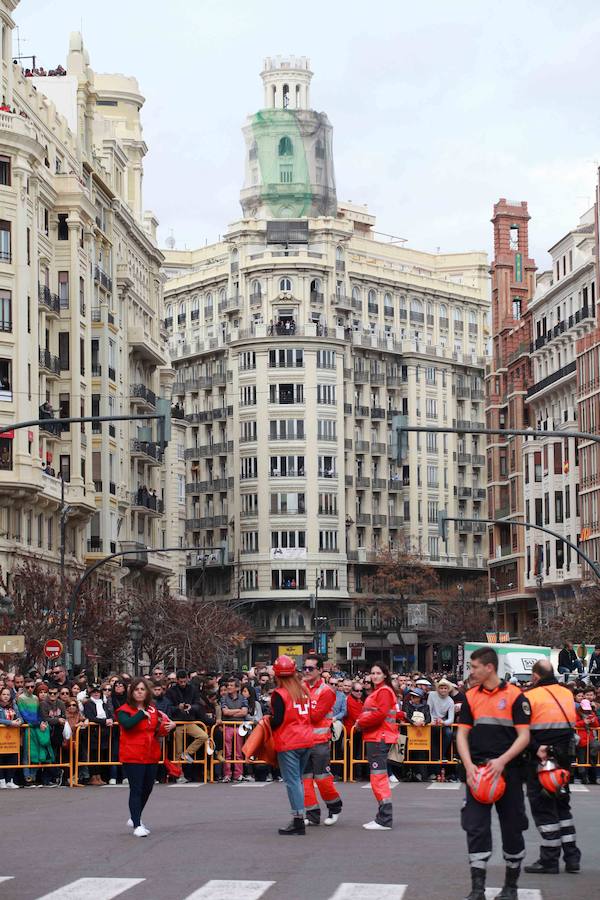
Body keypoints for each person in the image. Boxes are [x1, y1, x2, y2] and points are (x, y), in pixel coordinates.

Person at [456, 646, 531, 900]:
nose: (472, 671)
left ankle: (511, 887)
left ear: (489, 667)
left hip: (508, 772)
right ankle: (477, 889)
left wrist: (502, 761)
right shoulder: (470, 696)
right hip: (477, 772)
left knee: (512, 827)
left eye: (475, 667)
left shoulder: (515, 696)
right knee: (475, 828)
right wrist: (468, 767)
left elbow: (524, 736)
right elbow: (462, 734)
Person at [524, 658, 581, 875]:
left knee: (543, 807)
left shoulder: (529, 696)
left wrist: (536, 747)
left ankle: (549, 859)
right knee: (562, 806)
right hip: (564, 757)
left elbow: (523, 731)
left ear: (536, 676)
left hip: (540, 758)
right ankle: (572, 858)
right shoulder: (567, 693)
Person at [117, 677, 176, 837]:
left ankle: (135, 816)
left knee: (147, 788)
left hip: (151, 753)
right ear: (131, 692)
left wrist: (170, 726)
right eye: (137, 689)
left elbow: (158, 729)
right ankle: (137, 824)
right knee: (136, 789)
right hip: (133, 754)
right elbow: (127, 725)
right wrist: (140, 715)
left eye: (142, 689)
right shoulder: (124, 710)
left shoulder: (152, 709)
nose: (140, 692)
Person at [270, 656, 313, 835]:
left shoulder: (279, 694)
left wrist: (265, 723)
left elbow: (277, 720)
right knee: (299, 780)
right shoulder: (303, 690)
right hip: (306, 739)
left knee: (292, 781)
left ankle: (298, 819)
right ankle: (299, 817)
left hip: (289, 740)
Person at [355, 662, 399, 830]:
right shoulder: (381, 691)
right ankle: (383, 816)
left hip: (378, 736)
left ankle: (384, 818)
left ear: (385, 675)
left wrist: (360, 722)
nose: (374, 676)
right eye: (372, 673)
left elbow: (379, 714)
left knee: (378, 778)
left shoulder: (383, 692)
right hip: (377, 736)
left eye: (378, 673)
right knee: (378, 777)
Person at [302, 654, 343, 826]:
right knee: (305, 779)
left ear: (320, 670)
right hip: (303, 741)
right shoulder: (300, 687)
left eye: (310, 668)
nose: (306, 671)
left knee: (322, 778)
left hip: (319, 742)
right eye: (304, 668)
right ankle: (312, 814)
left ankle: (335, 807)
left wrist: (299, 712)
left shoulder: (326, 692)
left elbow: (317, 716)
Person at [166, 669, 211, 769]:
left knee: (203, 736)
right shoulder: (171, 691)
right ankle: (179, 773)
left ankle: (186, 753)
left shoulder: (193, 689)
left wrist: (191, 707)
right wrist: (178, 707)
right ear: (177, 680)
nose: (182, 683)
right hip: (177, 723)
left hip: (189, 721)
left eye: (184, 681)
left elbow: (198, 704)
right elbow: (168, 708)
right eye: (180, 681)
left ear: (187, 679)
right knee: (178, 749)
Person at [0, 686, 22, 788]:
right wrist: (10, 722)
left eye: (8, 694)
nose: (6, 696)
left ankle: (10, 780)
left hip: (12, 737)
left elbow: (20, 717)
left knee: (12, 757)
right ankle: (2, 780)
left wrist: (18, 722)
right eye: (4, 694)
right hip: (1, 736)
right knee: (1, 758)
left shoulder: (13, 705)